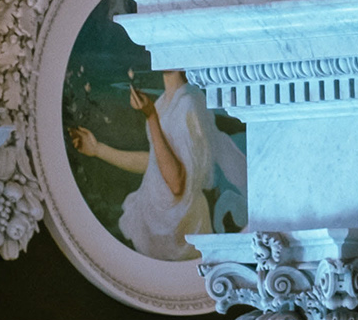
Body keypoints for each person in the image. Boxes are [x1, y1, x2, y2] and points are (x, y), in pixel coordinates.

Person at [72, 67, 249, 258]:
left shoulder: (188, 104)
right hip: (156, 223)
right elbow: (155, 165)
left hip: (178, 231)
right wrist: (98, 149)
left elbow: (176, 183)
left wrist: (151, 117)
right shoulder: (163, 102)